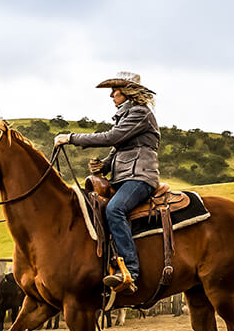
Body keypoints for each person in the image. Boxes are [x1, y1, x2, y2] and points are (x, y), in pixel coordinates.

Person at [54, 72, 160, 291]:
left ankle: (130, 269)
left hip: (140, 177)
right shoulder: (127, 116)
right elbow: (118, 148)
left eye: (115, 90)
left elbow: (111, 137)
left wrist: (71, 138)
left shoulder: (140, 113)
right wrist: (104, 165)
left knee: (114, 209)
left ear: (128, 92)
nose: (111, 95)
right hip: (123, 178)